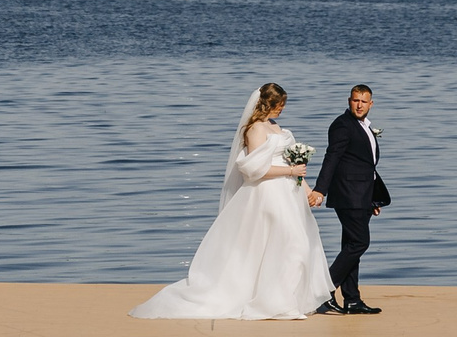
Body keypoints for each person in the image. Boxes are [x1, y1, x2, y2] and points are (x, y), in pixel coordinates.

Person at [131, 83, 333, 320]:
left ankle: (285, 299)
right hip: (267, 194)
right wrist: (290, 173)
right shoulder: (255, 130)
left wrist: (308, 191)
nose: (282, 108)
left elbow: (294, 167)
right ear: (267, 103)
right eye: (279, 104)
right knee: (287, 242)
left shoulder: (277, 127)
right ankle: (275, 303)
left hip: (289, 195)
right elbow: (254, 169)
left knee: (296, 243)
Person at [307, 84, 387, 315]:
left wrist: (373, 199)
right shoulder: (342, 125)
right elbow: (331, 158)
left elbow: (367, 166)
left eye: (364, 101)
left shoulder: (364, 127)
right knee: (359, 243)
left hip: (362, 195)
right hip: (347, 194)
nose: (359, 105)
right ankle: (325, 289)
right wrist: (320, 190)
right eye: (355, 100)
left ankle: (352, 300)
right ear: (349, 101)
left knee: (351, 246)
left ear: (371, 104)